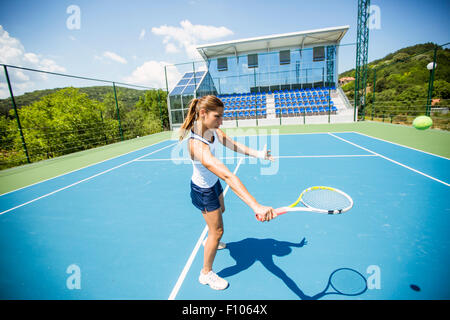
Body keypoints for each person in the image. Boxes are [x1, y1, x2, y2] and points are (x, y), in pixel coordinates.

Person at [178, 95, 275, 290]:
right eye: (218, 116)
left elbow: (233, 144)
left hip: (212, 184)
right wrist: (256, 206)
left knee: (222, 209)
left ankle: (212, 240)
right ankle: (206, 273)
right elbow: (229, 176)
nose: (221, 121)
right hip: (204, 190)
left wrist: (258, 154)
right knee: (218, 230)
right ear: (203, 113)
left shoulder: (211, 129)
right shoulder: (197, 145)